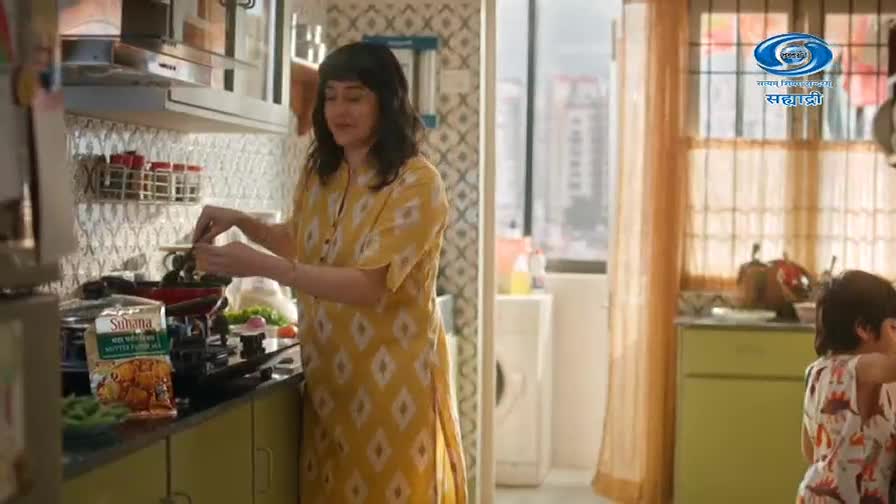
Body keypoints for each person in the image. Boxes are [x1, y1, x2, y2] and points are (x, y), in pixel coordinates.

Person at [191, 42, 467, 503]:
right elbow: (303, 243)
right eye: (331, 96)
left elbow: (369, 284)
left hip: (389, 392)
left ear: (386, 100)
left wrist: (262, 266)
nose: (339, 109)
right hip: (329, 385)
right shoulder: (321, 173)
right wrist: (243, 220)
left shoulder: (417, 182)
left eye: (355, 96)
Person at [797, 270, 896, 503]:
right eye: (893, 328)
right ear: (863, 328)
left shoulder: (815, 372)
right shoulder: (858, 368)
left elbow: (809, 449)